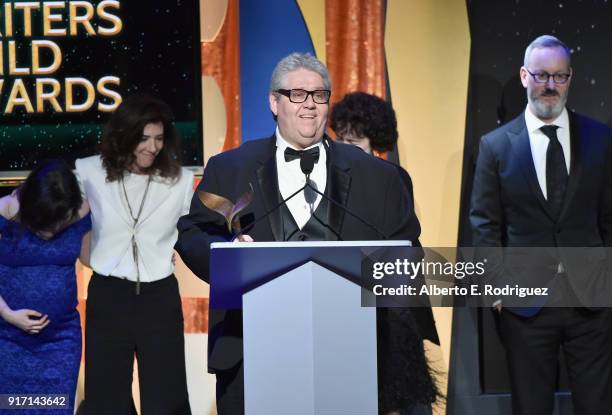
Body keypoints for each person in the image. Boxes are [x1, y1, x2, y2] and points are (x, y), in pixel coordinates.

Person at [176, 53, 437, 415]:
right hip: (254, 349)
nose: (310, 106)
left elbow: (408, 250)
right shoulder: (230, 168)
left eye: (319, 95)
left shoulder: (376, 176)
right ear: (274, 102)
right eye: (297, 94)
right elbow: (191, 234)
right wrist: (228, 253)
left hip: (352, 351)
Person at [470, 35, 612, 415]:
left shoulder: (601, 140)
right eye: (541, 75)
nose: (550, 85)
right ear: (523, 76)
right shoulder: (495, 146)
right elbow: (484, 224)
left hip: (592, 303)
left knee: (598, 406)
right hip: (525, 307)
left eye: (559, 76)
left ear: (570, 78)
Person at [75, 94, 193, 414]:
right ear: (123, 136)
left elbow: (192, 233)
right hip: (108, 294)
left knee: (166, 395)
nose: (152, 147)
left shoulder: (180, 180)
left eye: (158, 138)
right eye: (143, 138)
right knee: (106, 396)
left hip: (160, 297)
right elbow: (60, 218)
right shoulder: (88, 171)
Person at [331, 91, 439, 345]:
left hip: (386, 302)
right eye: (341, 141)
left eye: (354, 143)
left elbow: (404, 245)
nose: (346, 150)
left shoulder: (393, 178)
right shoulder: (327, 181)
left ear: (374, 143)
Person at [0, 160, 91, 414]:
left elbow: (93, 255)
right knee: (10, 408)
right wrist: (7, 313)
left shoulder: (80, 212)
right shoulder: (5, 211)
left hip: (60, 343)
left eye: (58, 222)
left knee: (53, 408)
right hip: (8, 341)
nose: (51, 231)